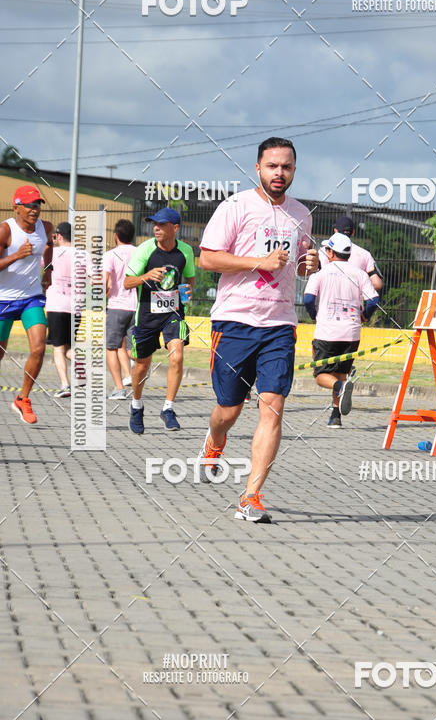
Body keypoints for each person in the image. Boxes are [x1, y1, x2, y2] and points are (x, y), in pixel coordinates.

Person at [198, 136, 318, 523]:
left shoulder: (302, 214)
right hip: (235, 320)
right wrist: (258, 262)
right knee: (228, 410)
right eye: (272, 166)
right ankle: (214, 442)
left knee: (273, 406)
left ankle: (251, 496)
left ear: (294, 170)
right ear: (258, 169)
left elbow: (296, 266)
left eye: (286, 167)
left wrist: (307, 264)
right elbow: (207, 259)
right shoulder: (235, 206)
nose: (279, 173)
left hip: (280, 324)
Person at [124, 207, 195, 433]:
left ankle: (168, 408)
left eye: (162, 224)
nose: (156, 228)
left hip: (173, 314)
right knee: (142, 365)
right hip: (146, 316)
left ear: (175, 228)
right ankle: (136, 406)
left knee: (177, 355)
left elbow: (190, 279)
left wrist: (188, 291)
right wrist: (145, 276)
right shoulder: (145, 249)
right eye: (154, 224)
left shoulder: (185, 251)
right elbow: (126, 283)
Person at [304, 232, 379, 428]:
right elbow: (373, 299)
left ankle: (340, 388)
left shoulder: (320, 274)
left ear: (330, 252)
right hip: (352, 332)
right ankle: (335, 415)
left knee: (321, 375)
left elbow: (308, 299)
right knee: (340, 372)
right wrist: (365, 315)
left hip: (327, 331)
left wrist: (314, 316)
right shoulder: (360, 274)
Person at [0, 185, 53, 424]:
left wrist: (48, 271)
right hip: (4, 299)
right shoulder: (5, 231)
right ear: (16, 207)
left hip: (31, 298)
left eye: (38, 204)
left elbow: (48, 245)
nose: (35, 209)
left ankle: (23, 398)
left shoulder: (46, 227)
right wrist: (16, 256)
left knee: (39, 348)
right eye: (30, 205)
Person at [104, 219, 137, 399]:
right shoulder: (140, 252)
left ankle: (119, 389)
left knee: (112, 347)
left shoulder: (110, 255)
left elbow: (104, 281)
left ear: (115, 236)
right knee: (131, 349)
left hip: (116, 306)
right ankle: (137, 370)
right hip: (136, 306)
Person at [45, 222, 77, 398]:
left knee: (57, 347)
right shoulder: (83, 255)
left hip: (57, 304)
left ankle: (65, 385)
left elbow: (40, 269)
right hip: (76, 306)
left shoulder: (53, 253)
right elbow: (95, 278)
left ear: (58, 236)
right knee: (68, 347)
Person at [318, 215, 383, 292]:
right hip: (354, 302)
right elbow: (377, 284)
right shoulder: (365, 254)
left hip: (327, 300)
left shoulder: (324, 251)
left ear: (335, 231)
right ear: (353, 232)